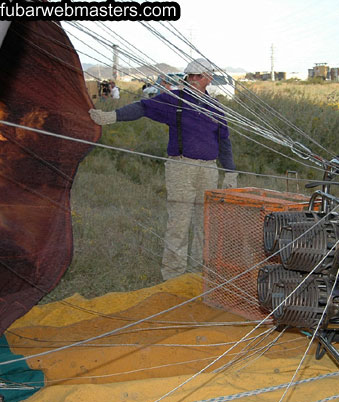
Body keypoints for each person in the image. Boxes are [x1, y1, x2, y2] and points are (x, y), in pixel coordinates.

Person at [88, 58, 237, 281]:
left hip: (208, 170)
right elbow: (143, 107)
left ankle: (198, 274)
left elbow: (224, 141)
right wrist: (111, 117)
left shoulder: (215, 107)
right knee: (179, 222)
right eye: (191, 76)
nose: (194, 80)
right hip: (181, 168)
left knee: (204, 224)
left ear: (209, 78)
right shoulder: (175, 100)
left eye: (199, 76)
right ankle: (173, 277)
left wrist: (231, 172)